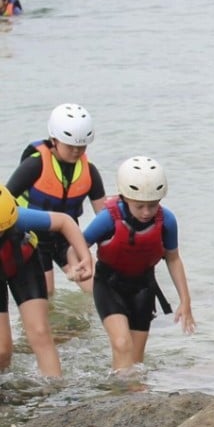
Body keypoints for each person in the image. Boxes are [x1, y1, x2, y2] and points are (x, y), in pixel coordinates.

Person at [72, 157, 195, 374]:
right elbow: (77, 245)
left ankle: (132, 396)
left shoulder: (167, 221)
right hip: (109, 285)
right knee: (122, 344)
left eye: (153, 205)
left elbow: (173, 259)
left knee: (136, 361)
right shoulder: (108, 219)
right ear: (125, 197)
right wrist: (79, 265)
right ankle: (119, 400)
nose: (147, 212)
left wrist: (185, 301)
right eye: (140, 206)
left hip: (143, 288)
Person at [6, 103, 106, 295]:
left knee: (98, 289)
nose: (77, 151)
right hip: (33, 237)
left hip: (67, 238)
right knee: (47, 294)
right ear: (54, 140)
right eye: (71, 146)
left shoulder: (90, 171)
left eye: (81, 146)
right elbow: (6, 203)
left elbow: (104, 215)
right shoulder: (34, 165)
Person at [0, 185, 92, 377]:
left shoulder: (16, 216)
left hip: (23, 264)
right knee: (2, 350)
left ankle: (55, 391)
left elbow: (64, 221)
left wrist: (85, 258)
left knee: (40, 332)